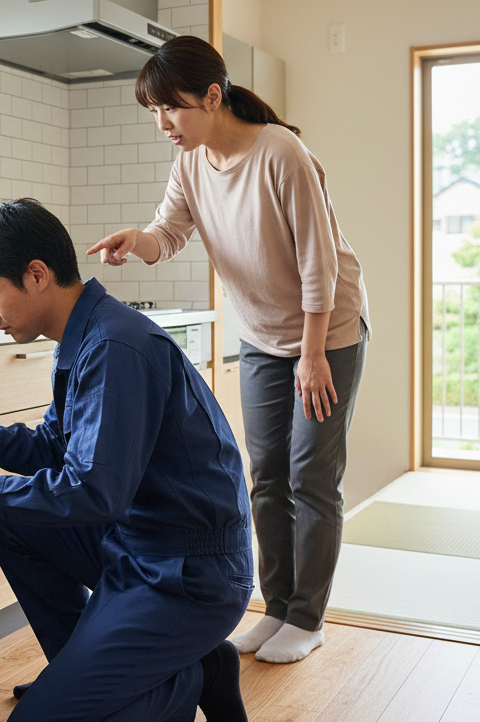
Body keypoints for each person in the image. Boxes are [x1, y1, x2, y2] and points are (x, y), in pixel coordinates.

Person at [0, 198, 254, 722]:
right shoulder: (85, 333)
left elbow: (94, 491)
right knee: (6, 512)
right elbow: (59, 450)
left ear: (37, 275)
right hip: (139, 545)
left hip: (189, 574)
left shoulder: (115, 346)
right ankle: (89, 679)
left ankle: (192, 676)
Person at [88, 35, 370, 665]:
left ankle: (308, 616)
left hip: (329, 333)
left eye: (173, 109)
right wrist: (137, 240)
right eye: (154, 112)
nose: (163, 124)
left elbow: (318, 265)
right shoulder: (192, 162)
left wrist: (315, 355)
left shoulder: (282, 154)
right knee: (265, 477)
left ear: (213, 96)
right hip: (262, 337)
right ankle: (276, 610)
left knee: (311, 477)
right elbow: (170, 232)